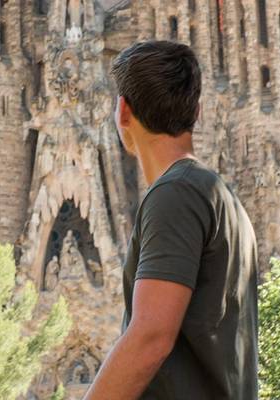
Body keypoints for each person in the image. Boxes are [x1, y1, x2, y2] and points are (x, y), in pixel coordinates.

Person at [84, 41, 258, 400]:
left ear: (123, 113)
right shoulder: (221, 199)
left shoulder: (176, 193)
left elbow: (151, 337)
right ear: (197, 110)